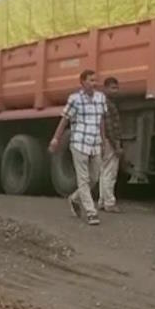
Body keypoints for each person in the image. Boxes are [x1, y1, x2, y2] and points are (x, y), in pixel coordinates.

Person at [49, 69, 107, 226]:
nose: (94, 83)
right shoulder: (75, 99)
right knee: (83, 179)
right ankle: (91, 212)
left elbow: (101, 120)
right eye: (90, 80)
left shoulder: (101, 98)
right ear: (82, 82)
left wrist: (103, 140)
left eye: (95, 80)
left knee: (94, 177)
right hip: (79, 142)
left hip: (95, 143)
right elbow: (64, 120)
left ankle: (74, 198)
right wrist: (56, 139)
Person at [98, 76, 122, 213]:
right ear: (105, 88)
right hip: (109, 141)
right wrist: (116, 145)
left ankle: (102, 201)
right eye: (113, 88)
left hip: (104, 141)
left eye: (117, 88)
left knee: (104, 171)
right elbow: (109, 127)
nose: (115, 91)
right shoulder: (108, 104)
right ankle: (109, 203)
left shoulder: (103, 103)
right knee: (110, 173)